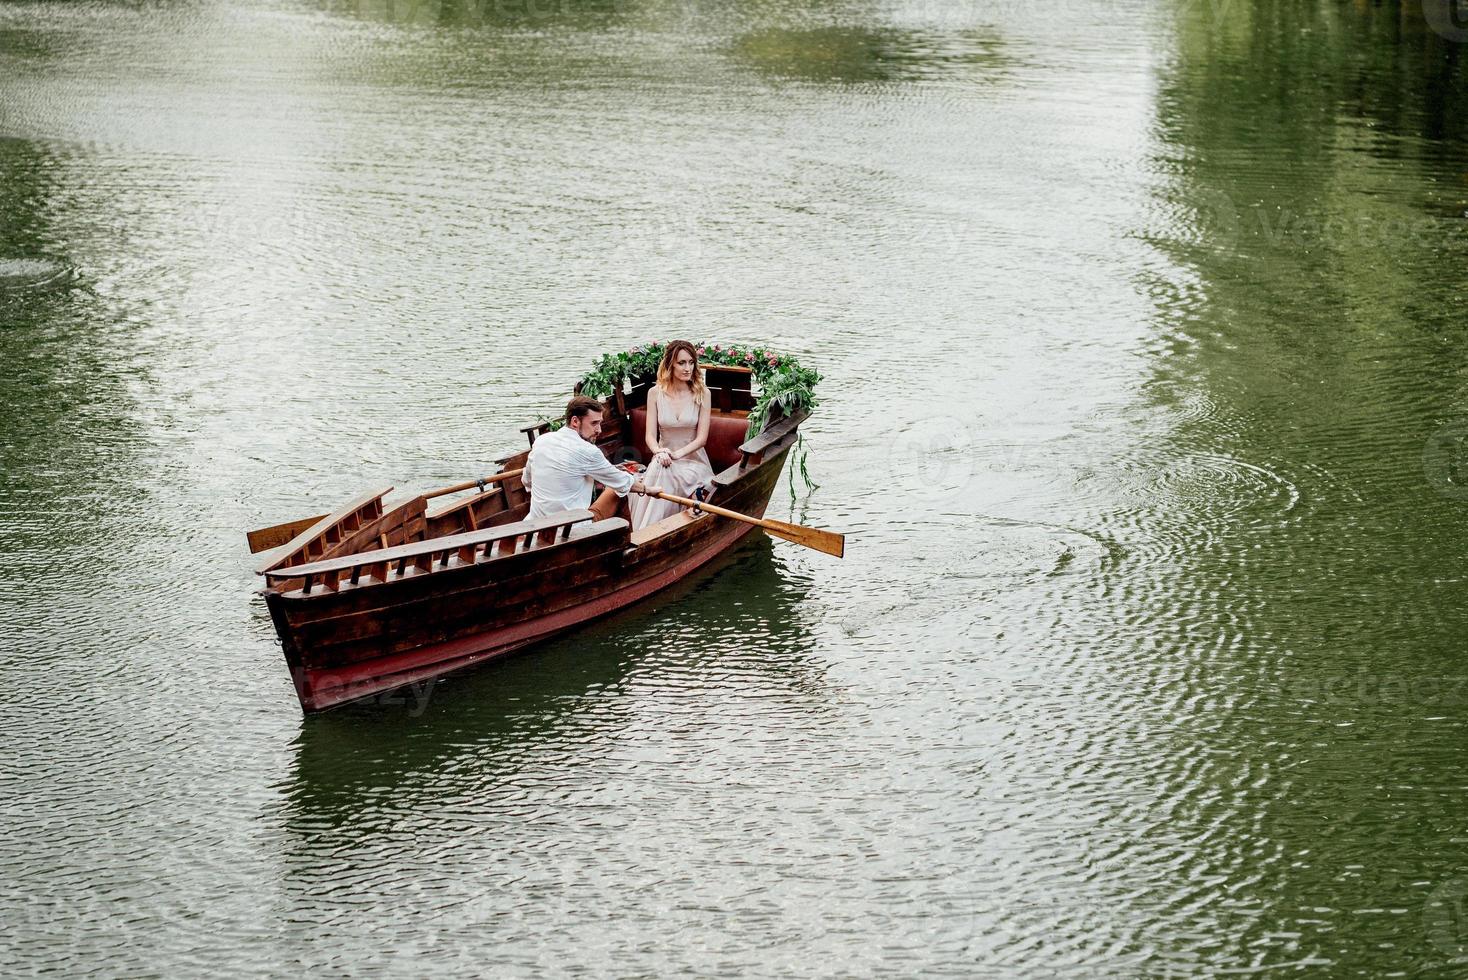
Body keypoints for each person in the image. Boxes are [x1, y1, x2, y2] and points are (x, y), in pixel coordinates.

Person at [629, 340, 716, 531]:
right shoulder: (654, 393)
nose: (688, 368)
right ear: (670, 364)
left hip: (693, 463)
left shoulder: (703, 393)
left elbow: (702, 439)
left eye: (691, 362)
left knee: (665, 470)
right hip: (662, 459)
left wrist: (676, 455)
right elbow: (650, 436)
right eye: (681, 363)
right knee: (662, 468)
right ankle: (649, 532)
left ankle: (651, 531)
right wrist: (660, 452)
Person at [524, 396, 648, 523]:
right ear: (575, 422)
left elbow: (527, 481)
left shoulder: (541, 441)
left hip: (537, 526)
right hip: (572, 531)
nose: (599, 430)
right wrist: (648, 490)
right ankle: (626, 538)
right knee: (618, 490)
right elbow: (623, 482)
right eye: (594, 423)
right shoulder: (588, 451)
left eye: (600, 423)